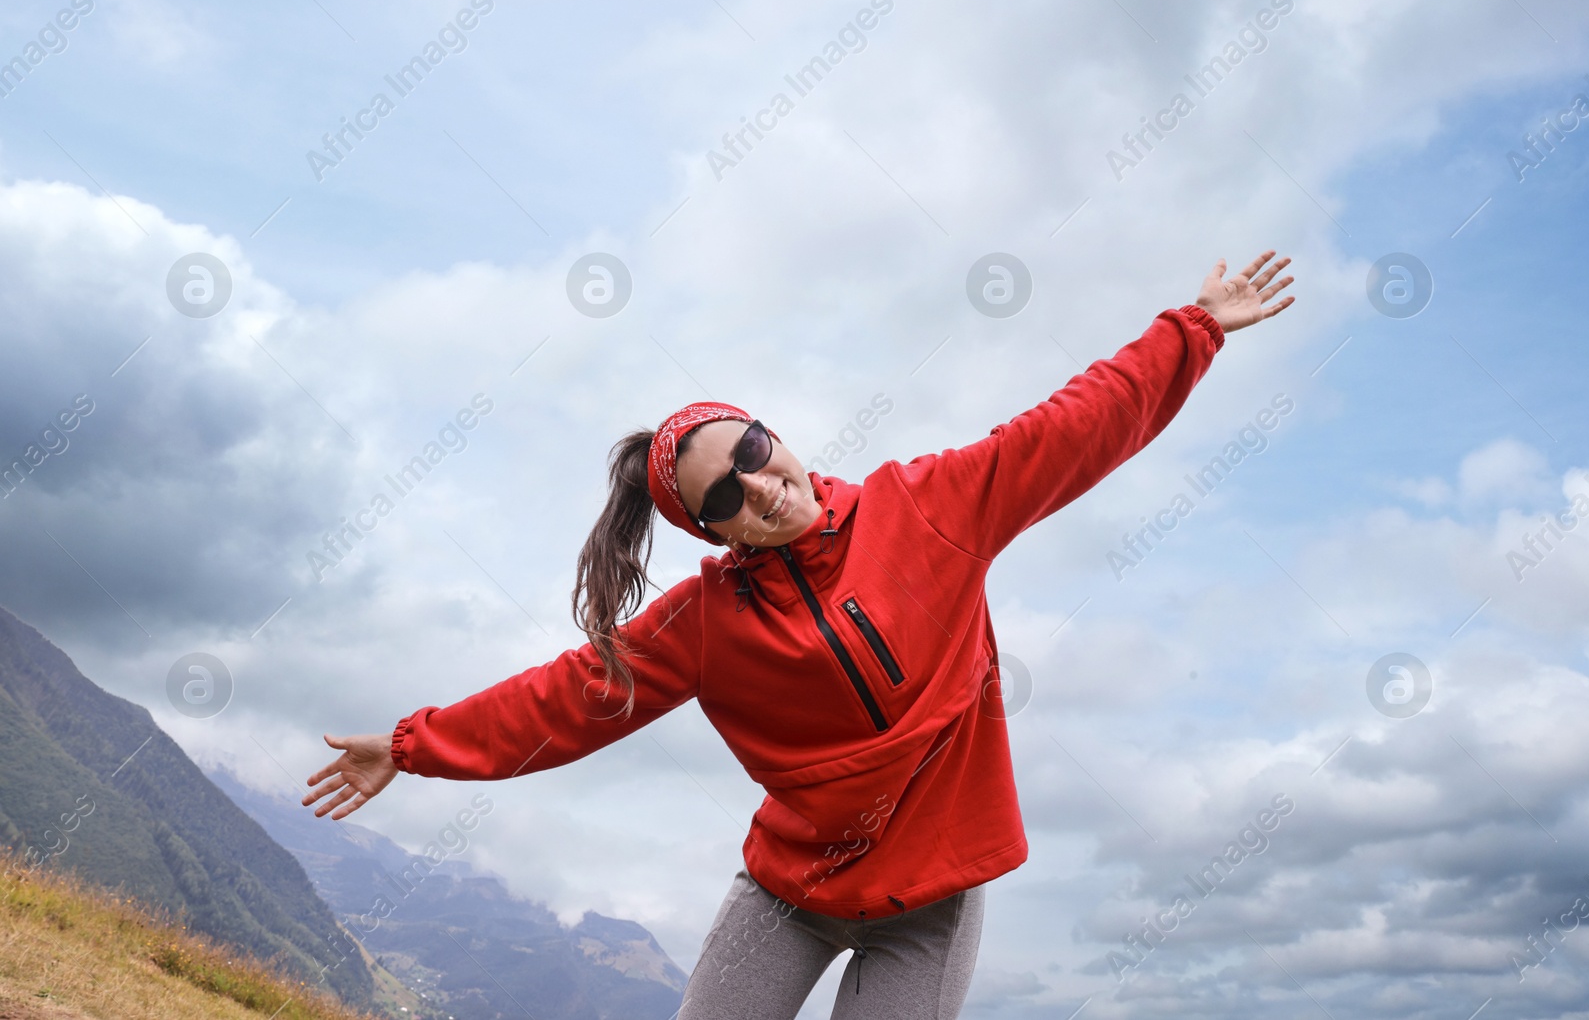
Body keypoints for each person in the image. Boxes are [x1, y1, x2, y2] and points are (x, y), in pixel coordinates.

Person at [303, 252, 1296, 1019]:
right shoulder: (704, 625)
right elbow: (567, 699)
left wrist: (1196, 327)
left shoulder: (930, 507)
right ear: (713, 530)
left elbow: (1074, 427)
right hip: (788, 892)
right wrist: (406, 743)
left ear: (769, 430)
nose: (761, 484)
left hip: (928, 900)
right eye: (725, 494)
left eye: (752, 450)